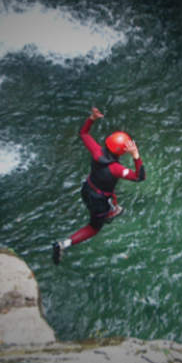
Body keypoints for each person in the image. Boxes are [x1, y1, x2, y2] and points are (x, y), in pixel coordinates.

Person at [52, 107, 146, 264]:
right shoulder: (116, 169)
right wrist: (136, 157)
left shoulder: (96, 151)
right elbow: (139, 177)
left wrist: (92, 118)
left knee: (110, 191)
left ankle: (112, 210)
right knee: (94, 228)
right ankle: (64, 244)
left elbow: (83, 134)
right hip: (98, 201)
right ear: (121, 152)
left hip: (87, 189)